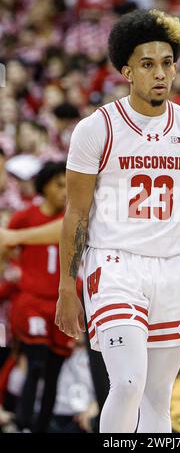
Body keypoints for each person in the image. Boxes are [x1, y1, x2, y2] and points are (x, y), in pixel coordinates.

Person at [55, 9, 180, 434]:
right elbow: (76, 213)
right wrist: (67, 286)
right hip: (114, 264)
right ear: (126, 71)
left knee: (159, 399)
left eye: (167, 63)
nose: (160, 73)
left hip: (173, 266)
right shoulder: (95, 129)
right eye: (147, 64)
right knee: (129, 383)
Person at [6, 161, 74, 432]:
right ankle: (23, 422)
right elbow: (6, 244)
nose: (64, 192)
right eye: (59, 185)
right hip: (32, 302)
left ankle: (41, 425)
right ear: (44, 185)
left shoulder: (74, 217)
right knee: (35, 362)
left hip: (61, 305)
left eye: (67, 186)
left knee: (55, 371)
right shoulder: (24, 217)